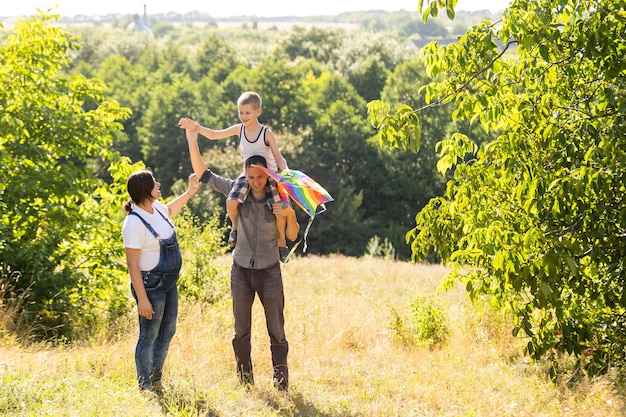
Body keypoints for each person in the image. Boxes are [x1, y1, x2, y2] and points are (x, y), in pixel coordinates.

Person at [180, 121, 300, 392]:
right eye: (251, 177)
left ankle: (281, 382)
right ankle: (245, 381)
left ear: (267, 174)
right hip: (241, 270)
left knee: (277, 329)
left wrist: (290, 215)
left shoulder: (280, 197)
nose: (256, 182)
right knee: (241, 330)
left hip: (270, 271)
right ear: (245, 175)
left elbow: (292, 235)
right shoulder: (236, 189)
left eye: (260, 176)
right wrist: (192, 139)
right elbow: (203, 173)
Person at [178, 91, 291, 261]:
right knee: (231, 200)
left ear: (258, 112)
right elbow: (215, 134)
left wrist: (286, 177)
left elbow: (278, 157)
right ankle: (235, 225)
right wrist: (196, 128)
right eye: (240, 112)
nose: (243, 116)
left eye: (247, 113)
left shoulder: (265, 133)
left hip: (268, 174)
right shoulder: (240, 129)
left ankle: (281, 240)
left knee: (280, 209)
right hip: (248, 174)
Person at [122, 169, 201, 392]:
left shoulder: (156, 208)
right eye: (154, 182)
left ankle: (156, 380)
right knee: (148, 335)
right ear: (145, 190)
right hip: (150, 286)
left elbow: (171, 210)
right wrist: (142, 299)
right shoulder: (133, 223)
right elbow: (132, 264)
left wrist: (189, 192)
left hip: (168, 284)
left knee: (167, 331)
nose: (158, 184)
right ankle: (144, 384)